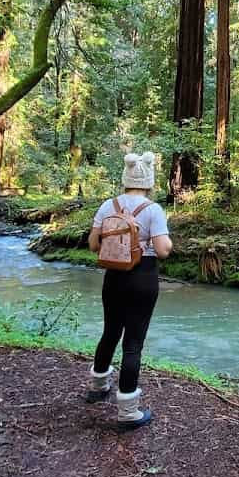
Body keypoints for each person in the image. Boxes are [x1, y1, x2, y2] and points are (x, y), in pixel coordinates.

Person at [86, 152, 172, 430]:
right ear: (149, 180)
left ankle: (98, 387)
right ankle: (128, 412)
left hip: (113, 276)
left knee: (110, 332)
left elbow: (93, 245)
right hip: (143, 277)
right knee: (133, 344)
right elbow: (162, 250)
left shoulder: (107, 206)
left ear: (125, 178)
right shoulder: (153, 209)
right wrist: (166, 243)